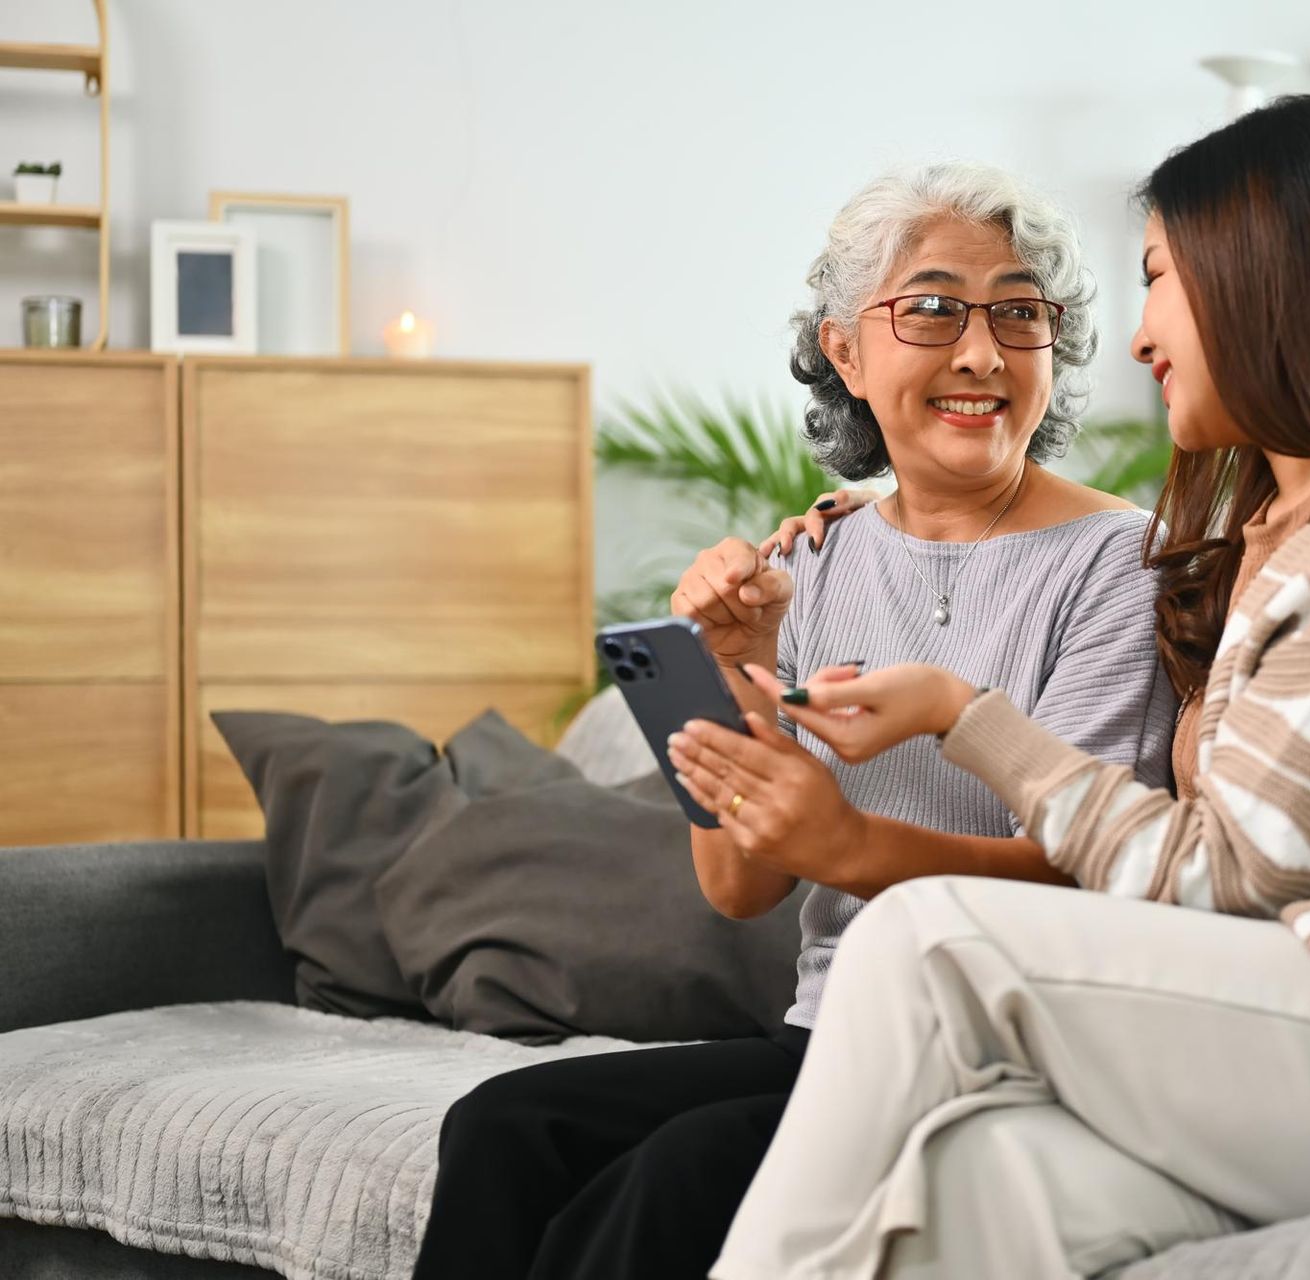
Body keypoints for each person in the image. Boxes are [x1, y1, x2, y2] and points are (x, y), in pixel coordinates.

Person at [702, 96, 1310, 1280]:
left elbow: (1234, 870)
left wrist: (966, 721)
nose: (1132, 337)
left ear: (1261, 285)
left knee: (923, 941)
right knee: (979, 1173)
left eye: (1160, 277)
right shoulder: (1268, 529)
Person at [409, 162, 1177, 1280]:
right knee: (502, 1126)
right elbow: (740, 887)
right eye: (932, 308)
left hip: (1000, 1049)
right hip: (831, 1031)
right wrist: (735, 674)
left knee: (672, 1178)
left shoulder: (1119, 563)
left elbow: (1098, 875)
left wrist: (850, 844)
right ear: (846, 352)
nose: (981, 353)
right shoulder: (814, 561)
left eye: (1020, 313)